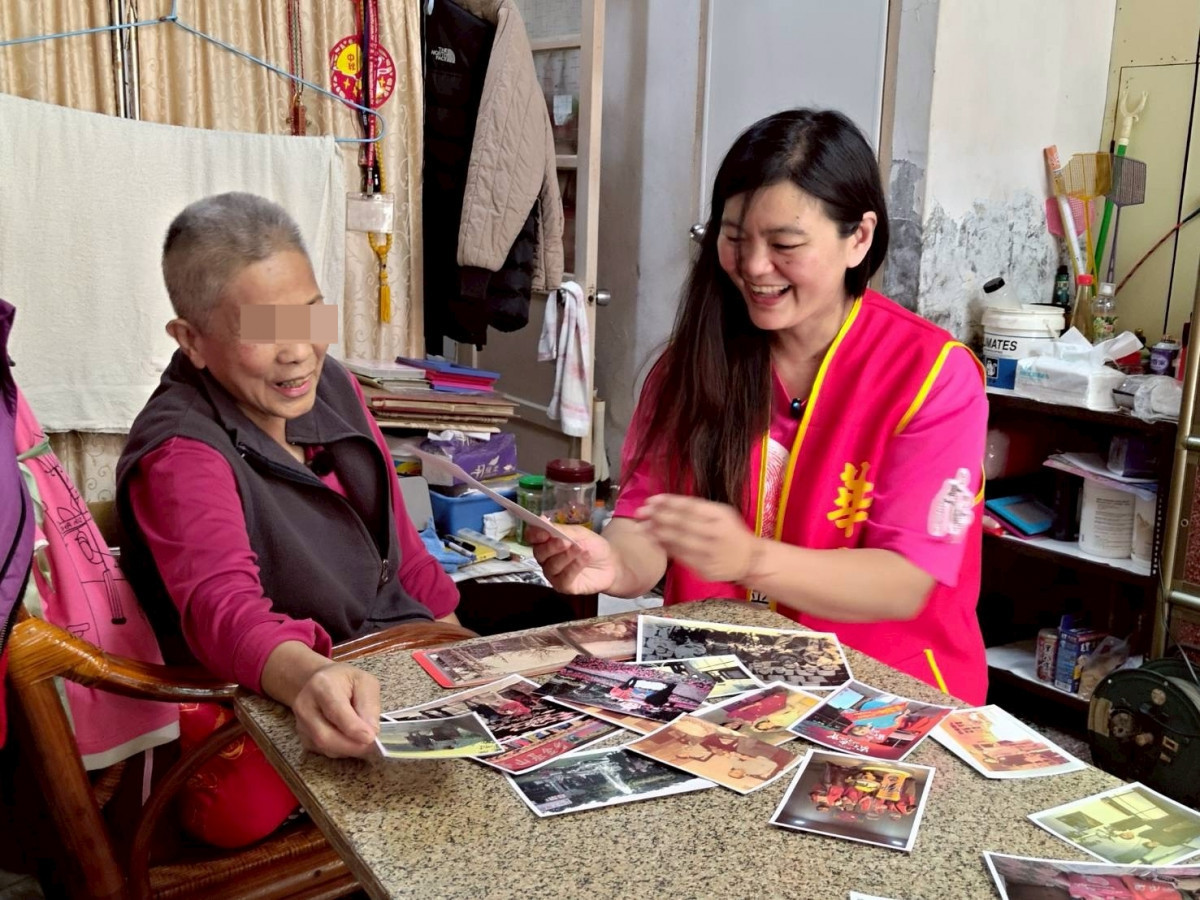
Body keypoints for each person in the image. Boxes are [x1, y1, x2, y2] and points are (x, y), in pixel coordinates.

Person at [530, 109, 988, 703]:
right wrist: (613, 564)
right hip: (720, 686)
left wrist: (750, 559)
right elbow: (648, 519)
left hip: (882, 694)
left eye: (784, 244)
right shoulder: (692, 363)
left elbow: (905, 582)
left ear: (859, 238)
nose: (752, 267)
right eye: (734, 238)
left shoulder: (931, 375)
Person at [115, 193, 466, 844]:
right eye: (263, 329)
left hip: (387, 662)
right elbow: (224, 610)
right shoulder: (181, 452)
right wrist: (313, 679)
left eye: (309, 315)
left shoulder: (333, 385)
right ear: (191, 340)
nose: (299, 352)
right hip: (278, 705)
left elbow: (401, 547)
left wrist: (468, 662)